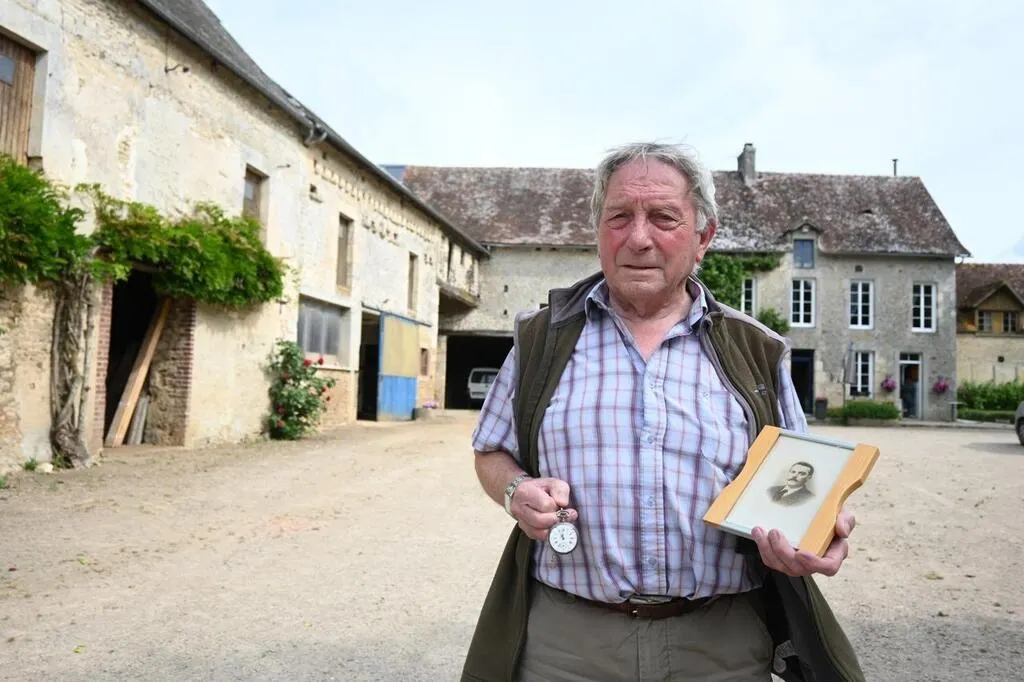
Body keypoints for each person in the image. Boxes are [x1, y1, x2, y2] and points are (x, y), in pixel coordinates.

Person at [460, 142, 864, 682]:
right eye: (619, 217)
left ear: (703, 237)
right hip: (567, 647)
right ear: (598, 231)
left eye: (664, 218)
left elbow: (804, 484)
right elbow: (491, 451)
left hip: (720, 648)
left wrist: (818, 530)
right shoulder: (541, 339)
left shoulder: (757, 350)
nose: (639, 238)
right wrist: (515, 491)